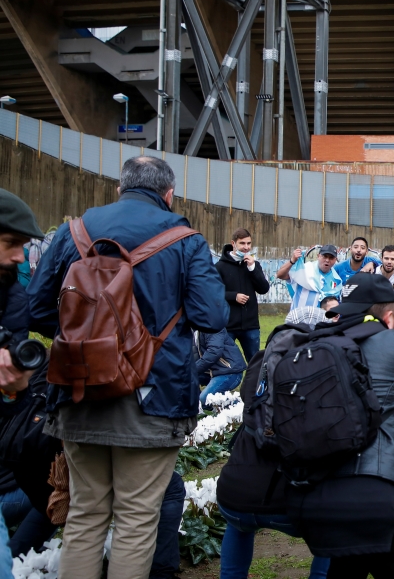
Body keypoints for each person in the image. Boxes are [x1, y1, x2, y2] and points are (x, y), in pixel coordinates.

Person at [26, 156, 229, 579]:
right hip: (152, 396)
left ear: (120, 188)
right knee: (137, 519)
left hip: (79, 389)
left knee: (84, 515)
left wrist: (92, 346)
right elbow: (212, 316)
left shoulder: (75, 231)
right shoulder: (185, 239)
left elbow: (39, 309)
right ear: (168, 194)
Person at [283, 273, 394, 577]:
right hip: (376, 491)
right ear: (390, 314)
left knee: (350, 563)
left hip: (316, 494)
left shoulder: (317, 342)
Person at [216, 312, 330, 579]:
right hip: (289, 500)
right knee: (334, 524)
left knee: (239, 525)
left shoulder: (259, 362)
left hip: (234, 494)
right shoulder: (321, 368)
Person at [0, 188, 46, 578]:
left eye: (24, 245)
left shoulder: (13, 299)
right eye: (11, 243)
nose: (19, 256)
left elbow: (12, 411)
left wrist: (14, 389)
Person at [216, 228, 270, 359]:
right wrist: (233, 296)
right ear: (233, 243)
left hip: (251, 326)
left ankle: (253, 381)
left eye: (249, 243)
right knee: (228, 364)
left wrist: (252, 269)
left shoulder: (254, 265)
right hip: (228, 325)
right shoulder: (220, 266)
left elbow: (264, 289)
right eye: (242, 243)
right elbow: (213, 293)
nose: (246, 247)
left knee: (255, 363)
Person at [192, 329, 247, 409]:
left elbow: (214, 352)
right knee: (182, 378)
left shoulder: (212, 326)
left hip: (229, 371)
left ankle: (242, 407)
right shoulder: (192, 328)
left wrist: (192, 370)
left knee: (205, 398)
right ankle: (199, 407)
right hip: (211, 371)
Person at [277, 245, 343, 311]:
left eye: (331, 258)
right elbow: (280, 275)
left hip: (320, 319)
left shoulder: (336, 280)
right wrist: (292, 261)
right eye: (325, 256)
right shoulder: (306, 269)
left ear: (335, 260)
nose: (327, 260)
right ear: (318, 256)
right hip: (299, 318)